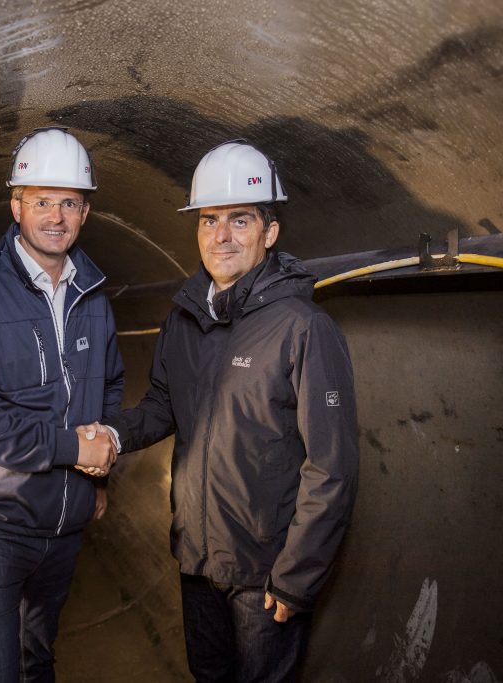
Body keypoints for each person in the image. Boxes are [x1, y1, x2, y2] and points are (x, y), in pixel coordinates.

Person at [94, 140, 359, 682]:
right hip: (197, 560)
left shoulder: (303, 329)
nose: (222, 236)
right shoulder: (184, 321)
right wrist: (110, 435)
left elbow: (332, 466)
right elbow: (164, 407)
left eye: (240, 220)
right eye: (210, 219)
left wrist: (296, 577)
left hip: (264, 575)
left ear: (270, 232)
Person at [0, 126, 123, 683]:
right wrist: (68, 447)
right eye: (41, 202)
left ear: (84, 213)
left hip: (64, 526)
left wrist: (99, 472)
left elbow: (109, 384)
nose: (55, 217)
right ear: (16, 206)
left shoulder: (95, 296)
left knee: (39, 660)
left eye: (69, 203)